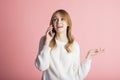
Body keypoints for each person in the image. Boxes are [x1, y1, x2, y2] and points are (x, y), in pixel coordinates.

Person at [35, 9, 104, 80]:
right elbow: (41, 66)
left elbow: (77, 75)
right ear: (52, 24)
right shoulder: (44, 40)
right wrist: (47, 43)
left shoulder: (74, 45)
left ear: (68, 23)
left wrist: (88, 57)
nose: (58, 22)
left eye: (62, 19)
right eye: (55, 19)